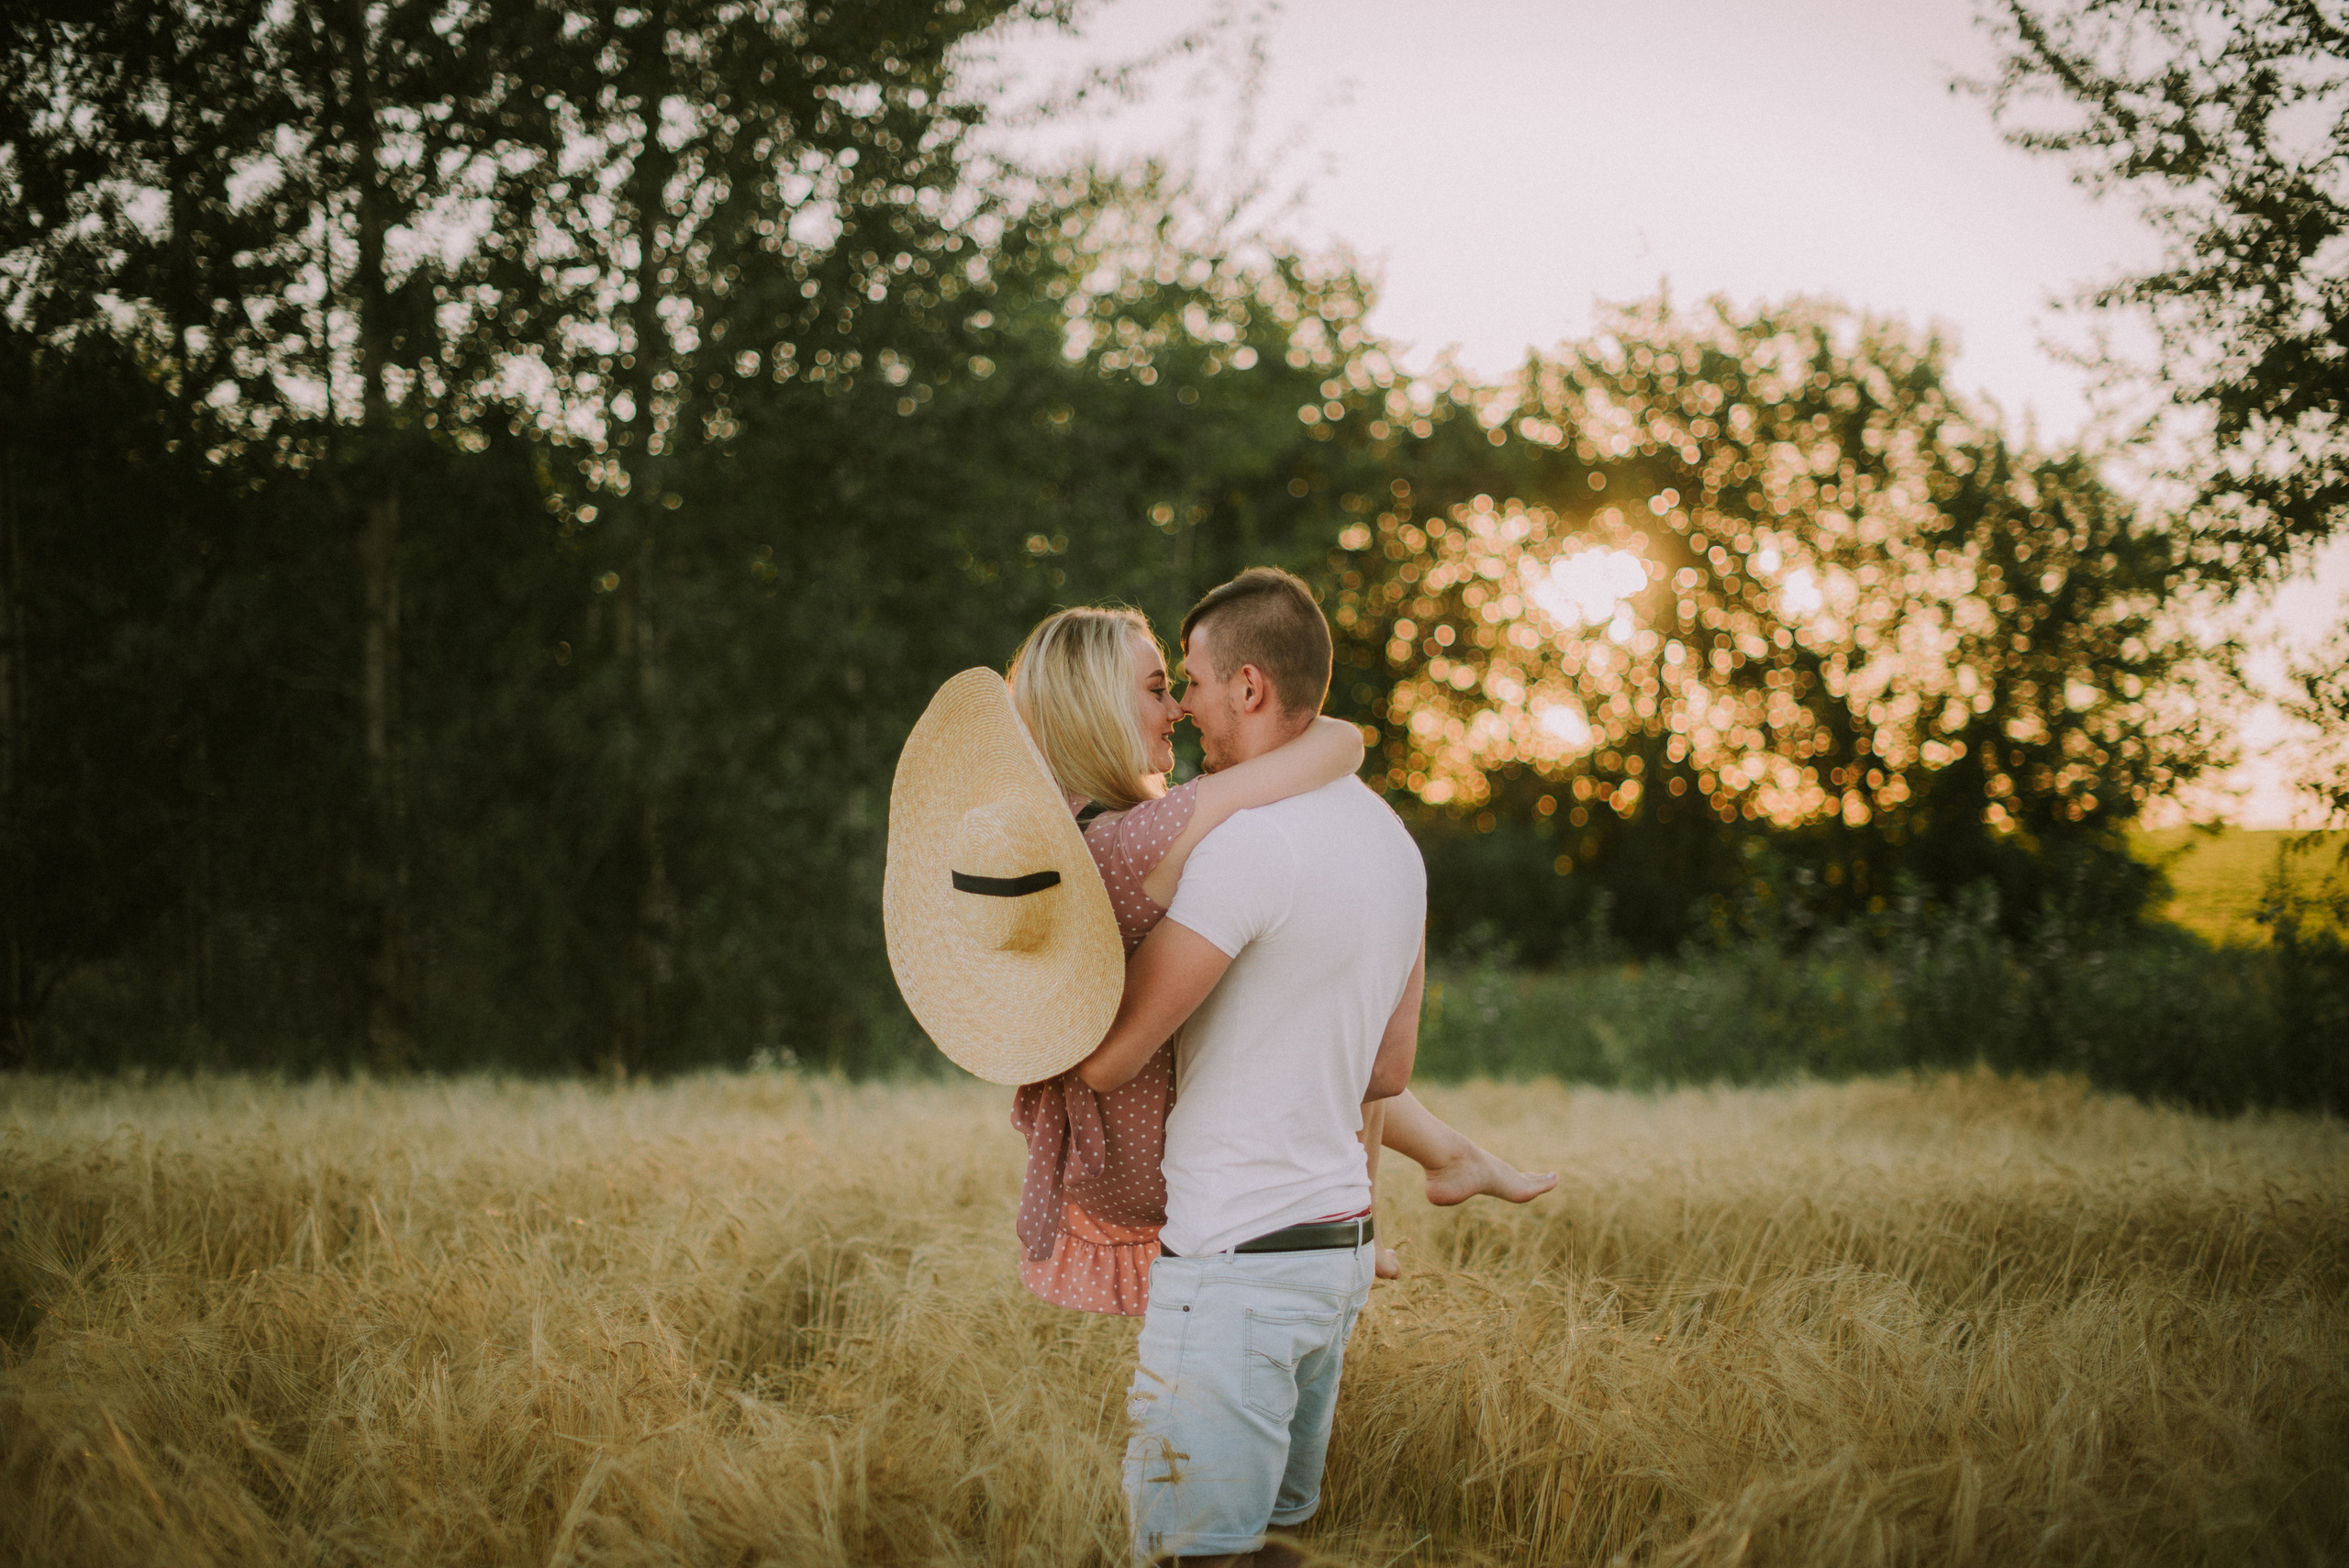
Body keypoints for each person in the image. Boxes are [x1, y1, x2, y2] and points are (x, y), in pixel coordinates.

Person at [1055, 569, 1483, 1564]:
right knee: (1265, 1539)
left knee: (1191, 1553)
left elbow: (1115, 1056)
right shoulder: (1392, 840)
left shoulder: (1244, 846)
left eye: (1193, 678)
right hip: (1330, 1262)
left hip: (1234, 1263)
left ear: (1248, 686)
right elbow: (1388, 1064)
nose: (1185, 703)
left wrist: (1032, 1010)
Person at [1005, 602, 1555, 1322]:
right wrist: (1327, 725)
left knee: (1295, 992)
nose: (1176, 706)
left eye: (1179, 685)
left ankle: (1443, 1159)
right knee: (1322, 1003)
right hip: (1147, 1143)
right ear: (1097, 706)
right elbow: (1336, 747)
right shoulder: (1144, 839)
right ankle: (1383, 1207)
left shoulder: (1068, 826)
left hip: (1113, 1137)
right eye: (1158, 688)